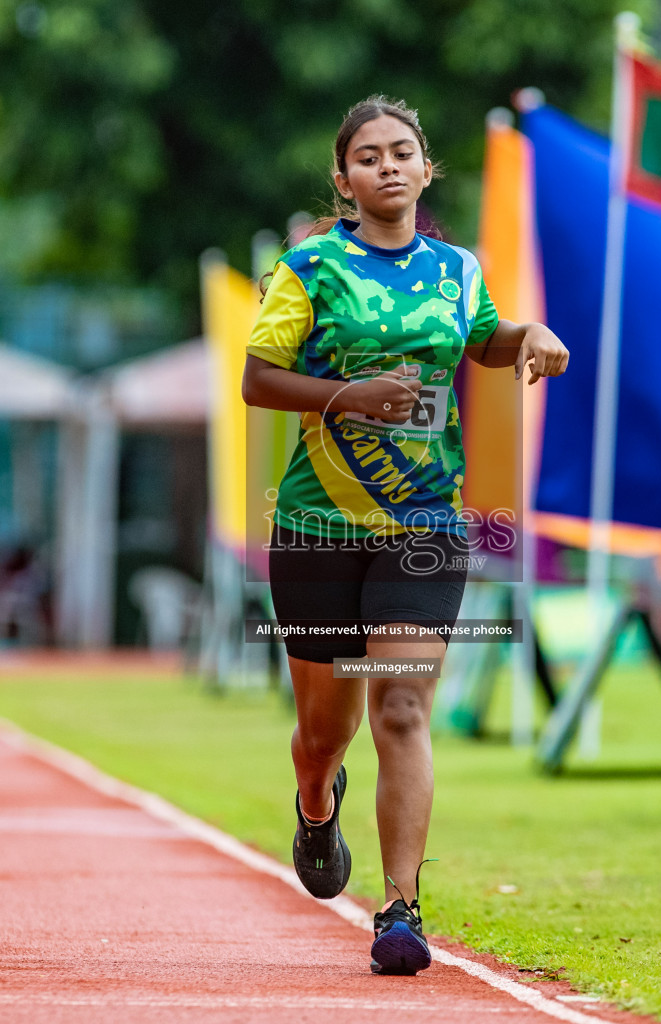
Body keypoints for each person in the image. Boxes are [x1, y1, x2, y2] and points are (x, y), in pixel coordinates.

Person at [241, 95, 569, 976]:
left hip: (424, 521)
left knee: (399, 705)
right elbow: (258, 379)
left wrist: (526, 334)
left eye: (404, 153)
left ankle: (400, 909)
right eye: (369, 156)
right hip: (318, 525)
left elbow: (484, 339)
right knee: (325, 732)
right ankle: (316, 806)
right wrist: (347, 396)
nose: (388, 166)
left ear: (427, 171)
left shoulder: (459, 269)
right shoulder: (307, 268)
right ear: (343, 180)